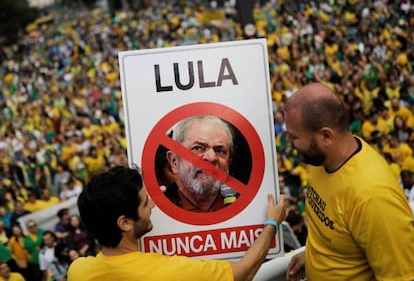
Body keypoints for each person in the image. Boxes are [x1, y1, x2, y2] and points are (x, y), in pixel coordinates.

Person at [284, 83, 414, 280]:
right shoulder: (320, 159)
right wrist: (312, 256)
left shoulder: (374, 197)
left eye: (294, 137)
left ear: (326, 136)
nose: (289, 143)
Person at [67, 166, 287, 280]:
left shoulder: (78, 271)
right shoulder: (170, 273)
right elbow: (244, 272)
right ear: (124, 223)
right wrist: (271, 223)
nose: (152, 205)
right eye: (145, 203)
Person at [165, 115, 237, 212]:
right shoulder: (154, 211)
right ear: (174, 161)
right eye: (198, 148)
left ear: (229, 161)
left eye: (220, 150)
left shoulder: (247, 205)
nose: (211, 157)